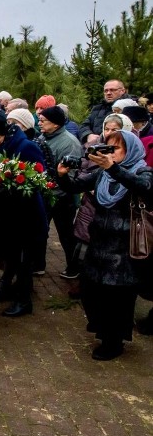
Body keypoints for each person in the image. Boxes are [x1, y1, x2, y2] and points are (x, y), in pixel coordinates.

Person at [56, 130, 152, 359]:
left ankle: (114, 341)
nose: (110, 153)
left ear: (131, 150)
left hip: (124, 249)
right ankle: (103, 331)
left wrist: (113, 168)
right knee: (91, 293)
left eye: (116, 148)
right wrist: (62, 174)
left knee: (117, 300)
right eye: (107, 147)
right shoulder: (103, 174)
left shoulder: (143, 171)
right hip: (98, 243)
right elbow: (75, 187)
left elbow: (143, 188)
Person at [0, 112, 48, 317]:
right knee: (10, 255)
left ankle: (24, 300)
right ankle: (8, 287)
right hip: (3, 214)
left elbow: (38, 178)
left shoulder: (26, 147)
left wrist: (9, 181)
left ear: (0, 134)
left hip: (25, 215)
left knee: (23, 260)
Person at [35, 106, 83, 278]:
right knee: (40, 230)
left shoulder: (69, 143)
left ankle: (74, 267)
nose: (39, 122)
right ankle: (38, 265)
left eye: (43, 120)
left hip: (63, 197)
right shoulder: (43, 137)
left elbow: (69, 175)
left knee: (66, 234)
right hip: (45, 194)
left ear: (55, 124)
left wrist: (50, 190)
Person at [79, 79, 129, 145]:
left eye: (112, 90)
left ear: (122, 91)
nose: (108, 93)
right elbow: (84, 125)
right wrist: (88, 135)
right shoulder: (97, 108)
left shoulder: (129, 107)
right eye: (106, 91)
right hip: (94, 146)